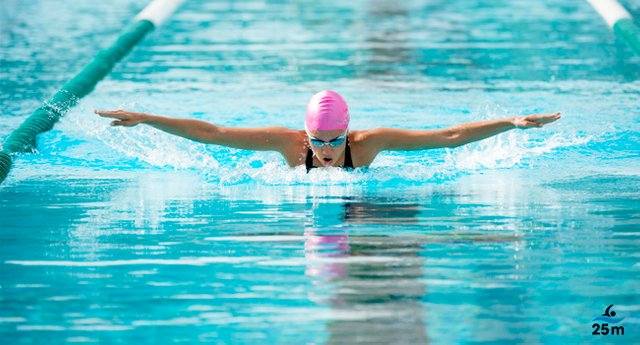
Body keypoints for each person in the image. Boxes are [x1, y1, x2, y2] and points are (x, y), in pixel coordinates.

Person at [95, 90, 560, 172]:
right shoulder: (288, 143)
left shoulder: (368, 144)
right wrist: (148, 118)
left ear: (348, 133)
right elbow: (213, 133)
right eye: (318, 140)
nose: (326, 149)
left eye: (334, 140)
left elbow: (447, 137)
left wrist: (510, 123)